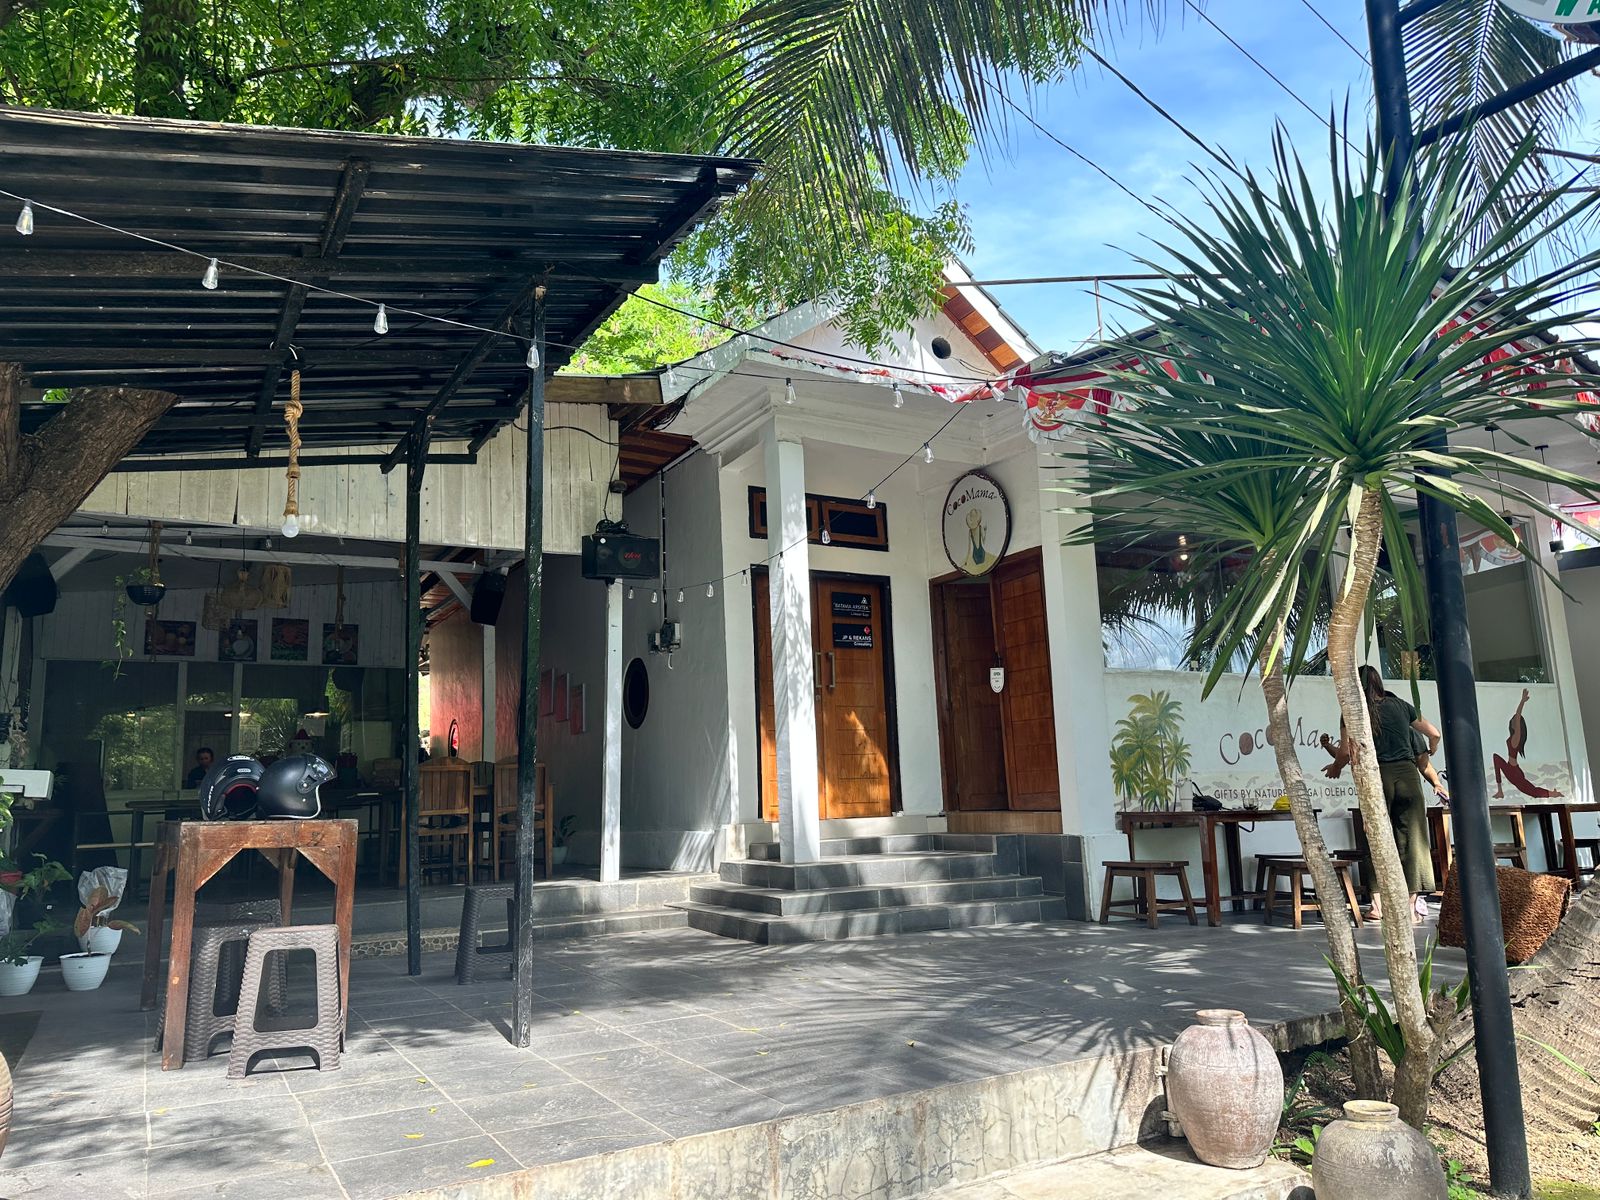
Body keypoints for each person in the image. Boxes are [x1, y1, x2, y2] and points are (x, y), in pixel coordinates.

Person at [1320, 666, 1441, 923]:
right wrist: (1433, 746)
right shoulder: (1401, 706)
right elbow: (1434, 733)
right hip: (1408, 776)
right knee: (1414, 840)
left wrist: (1336, 767)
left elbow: (1346, 753)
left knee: (1374, 839)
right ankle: (1410, 909)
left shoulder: (1353, 711)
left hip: (1377, 777)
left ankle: (1378, 906)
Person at [1493, 687, 1563, 800]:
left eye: (1515, 720)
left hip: (1514, 772)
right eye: (1513, 720)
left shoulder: (1516, 738)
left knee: (1533, 791)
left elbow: (1518, 715)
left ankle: (1553, 794)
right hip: (1510, 768)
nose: (1513, 721)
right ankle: (1500, 791)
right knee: (1496, 758)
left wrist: (1522, 701)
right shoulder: (1512, 738)